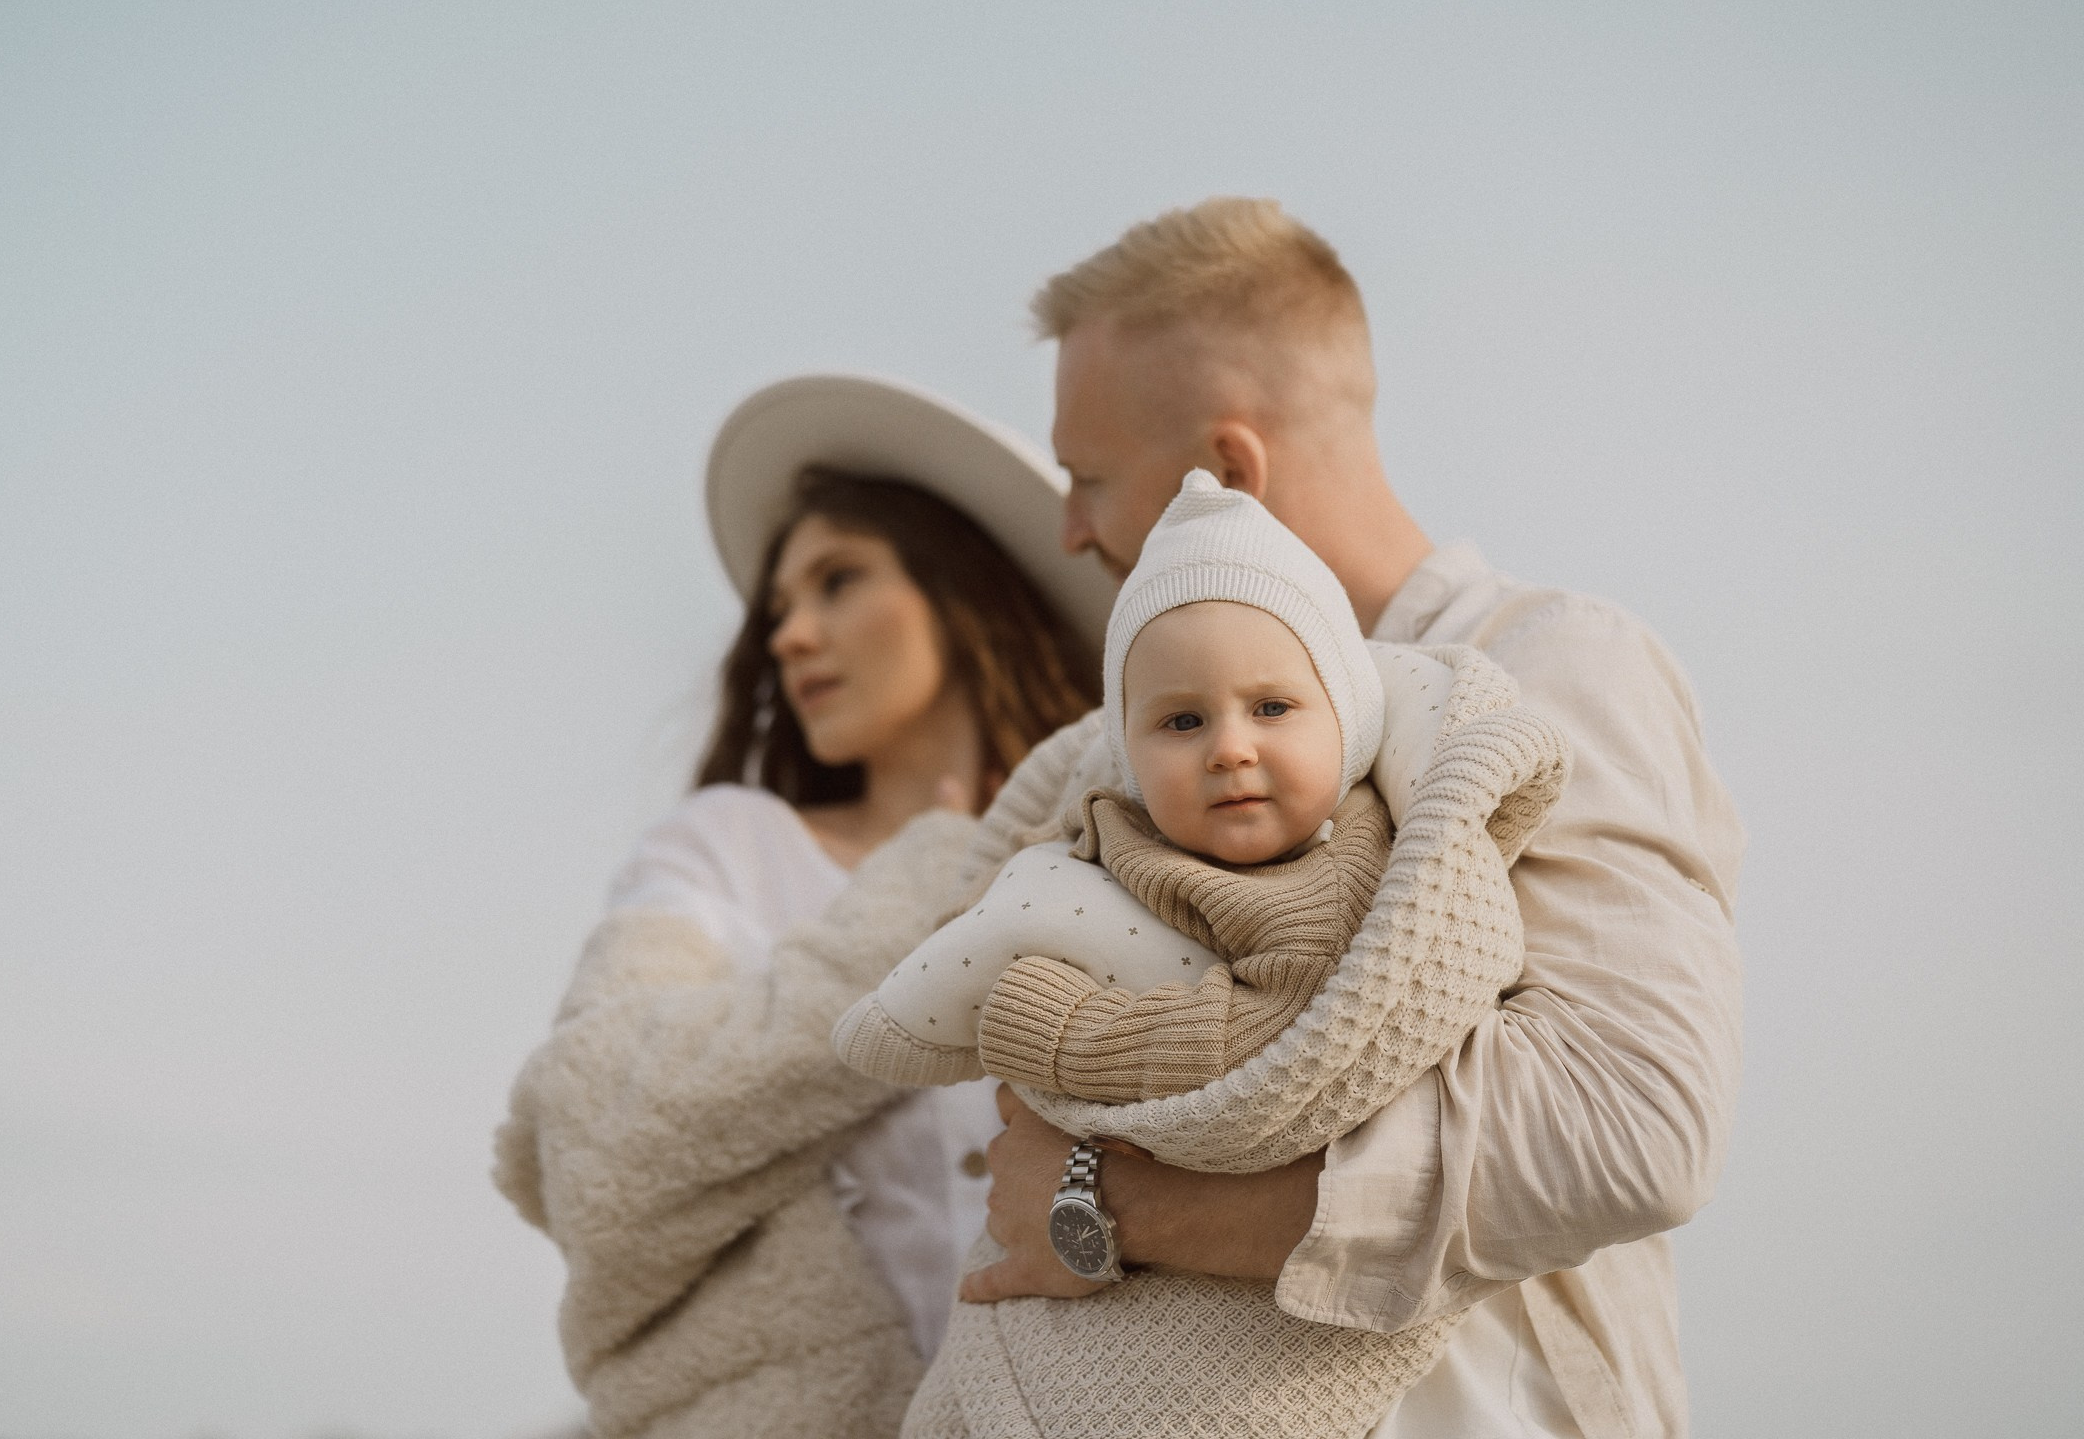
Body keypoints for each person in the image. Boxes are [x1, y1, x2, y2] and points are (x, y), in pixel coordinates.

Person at [949, 198, 1744, 1439]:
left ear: (1228, 476)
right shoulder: (1120, 767)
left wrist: (1110, 1205)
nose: (1071, 530)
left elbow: (1627, 1128)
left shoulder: (1550, 663)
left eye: (1088, 478)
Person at [831, 470, 1568, 1437]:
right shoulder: (1114, 830)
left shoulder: (1335, 869)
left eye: (1273, 708)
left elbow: (1275, 1028)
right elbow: (1011, 900)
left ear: (1345, 722)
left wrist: (1051, 1029)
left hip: (1230, 1302)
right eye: (1181, 721)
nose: (1228, 748)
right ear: (1130, 752)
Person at [492, 375, 1111, 1439]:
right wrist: (932, 889)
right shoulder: (729, 847)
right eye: (780, 610)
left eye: (838, 580)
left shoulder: (1109, 862)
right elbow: (600, 1136)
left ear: (965, 590)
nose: (789, 635)